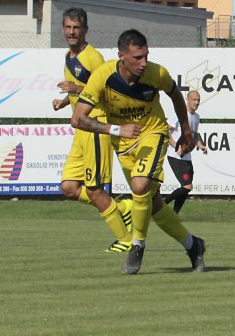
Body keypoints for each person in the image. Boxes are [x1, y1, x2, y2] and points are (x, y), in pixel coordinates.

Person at [71, 28, 206, 275]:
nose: (144, 63)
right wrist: (114, 129)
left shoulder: (157, 73)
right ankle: (193, 244)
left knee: (140, 186)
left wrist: (186, 132)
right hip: (123, 143)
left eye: (146, 56)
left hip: (153, 134)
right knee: (152, 204)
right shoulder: (103, 76)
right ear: (121, 56)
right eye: (137, 58)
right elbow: (78, 119)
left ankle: (137, 245)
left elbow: (176, 95)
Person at [52, 7, 133, 253]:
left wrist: (75, 89)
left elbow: (106, 89)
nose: (72, 32)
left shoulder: (93, 57)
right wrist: (65, 101)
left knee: (95, 189)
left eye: (76, 28)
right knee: (68, 187)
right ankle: (122, 209)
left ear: (85, 30)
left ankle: (126, 240)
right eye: (68, 27)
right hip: (80, 129)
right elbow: (84, 91)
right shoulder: (69, 56)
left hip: (95, 126)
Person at [165, 90, 208, 214]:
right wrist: (175, 146)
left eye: (198, 100)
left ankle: (174, 214)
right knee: (187, 186)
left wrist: (201, 146)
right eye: (194, 100)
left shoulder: (196, 117)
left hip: (187, 158)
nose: (197, 102)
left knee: (186, 187)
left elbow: (194, 135)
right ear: (187, 100)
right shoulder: (179, 114)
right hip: (176, 157)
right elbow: (165, 130)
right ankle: (162, 205)